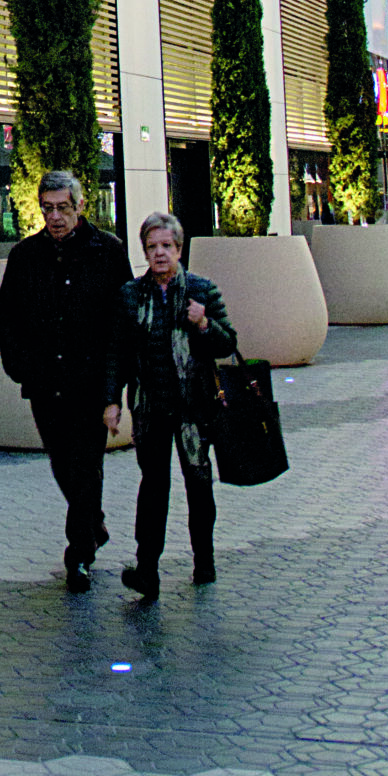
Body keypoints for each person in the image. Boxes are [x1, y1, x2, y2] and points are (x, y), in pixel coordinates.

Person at [0, 169, 133, 593]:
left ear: (80, 206)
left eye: (63, 208)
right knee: (62, 465)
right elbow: (5, 315)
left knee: (85, 467)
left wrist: (114, 390)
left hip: (90, 384)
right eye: (48, 208)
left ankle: (79, 556)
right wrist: (21, 368)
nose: (55, 217)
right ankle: (94, 524)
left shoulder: (108, 251)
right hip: (45, 384)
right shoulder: (26, 255)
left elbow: (122, 323)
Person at [103, 210, 237, 601]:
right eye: (152, 247)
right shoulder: (131, 295)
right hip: (150, 408)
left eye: (166, 246)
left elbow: (228, 344)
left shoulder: (201, 290)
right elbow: (117, 354)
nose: (159, 253)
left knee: (199, 484)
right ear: (144, 251)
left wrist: (204, 324)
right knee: (153, 487)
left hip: (194, 408)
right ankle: (147, 570)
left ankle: (204, 560)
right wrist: (112, 401)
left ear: (179, 249)